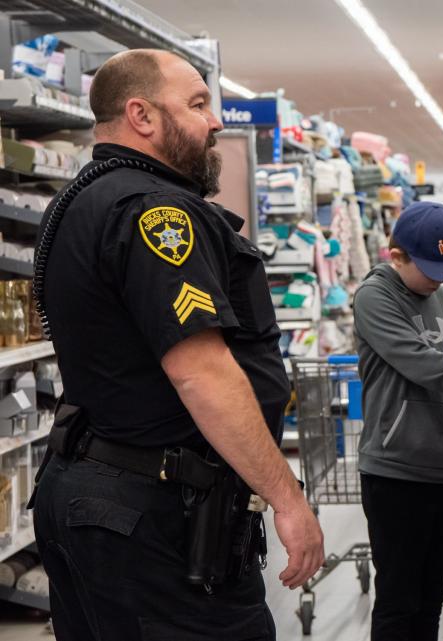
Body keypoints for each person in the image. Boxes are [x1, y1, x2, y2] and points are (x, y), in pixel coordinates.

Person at [31, 49, 324, 640]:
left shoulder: (84, 201)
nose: (215, 122)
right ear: (141, 115)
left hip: (92, 492)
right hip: (151, 515)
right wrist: (288, 501)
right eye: (197, 105)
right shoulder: (157, 213)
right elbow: (203, 373)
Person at [353, 201, 443, 641]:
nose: (439, 276)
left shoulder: (437, 290)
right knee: (400, 601)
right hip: (396, 470)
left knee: (432, 595)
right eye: (429, 265)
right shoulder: (374, 297)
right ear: (395, 256)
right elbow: (428, 367)